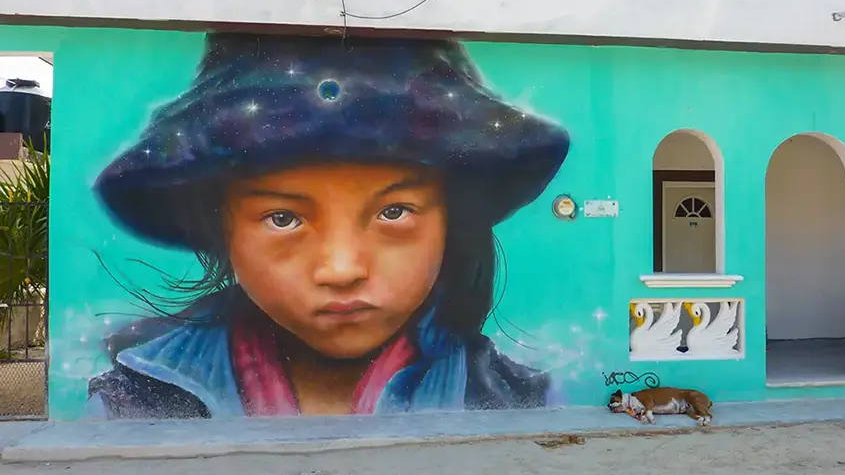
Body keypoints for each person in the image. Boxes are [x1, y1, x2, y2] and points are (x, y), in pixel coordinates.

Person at [86, 32, 570, 419]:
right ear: (221, 227)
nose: (341, 270)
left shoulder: (517, 400)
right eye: (283, 218)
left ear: (450, 220)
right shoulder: (135, 402)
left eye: (394, 212)